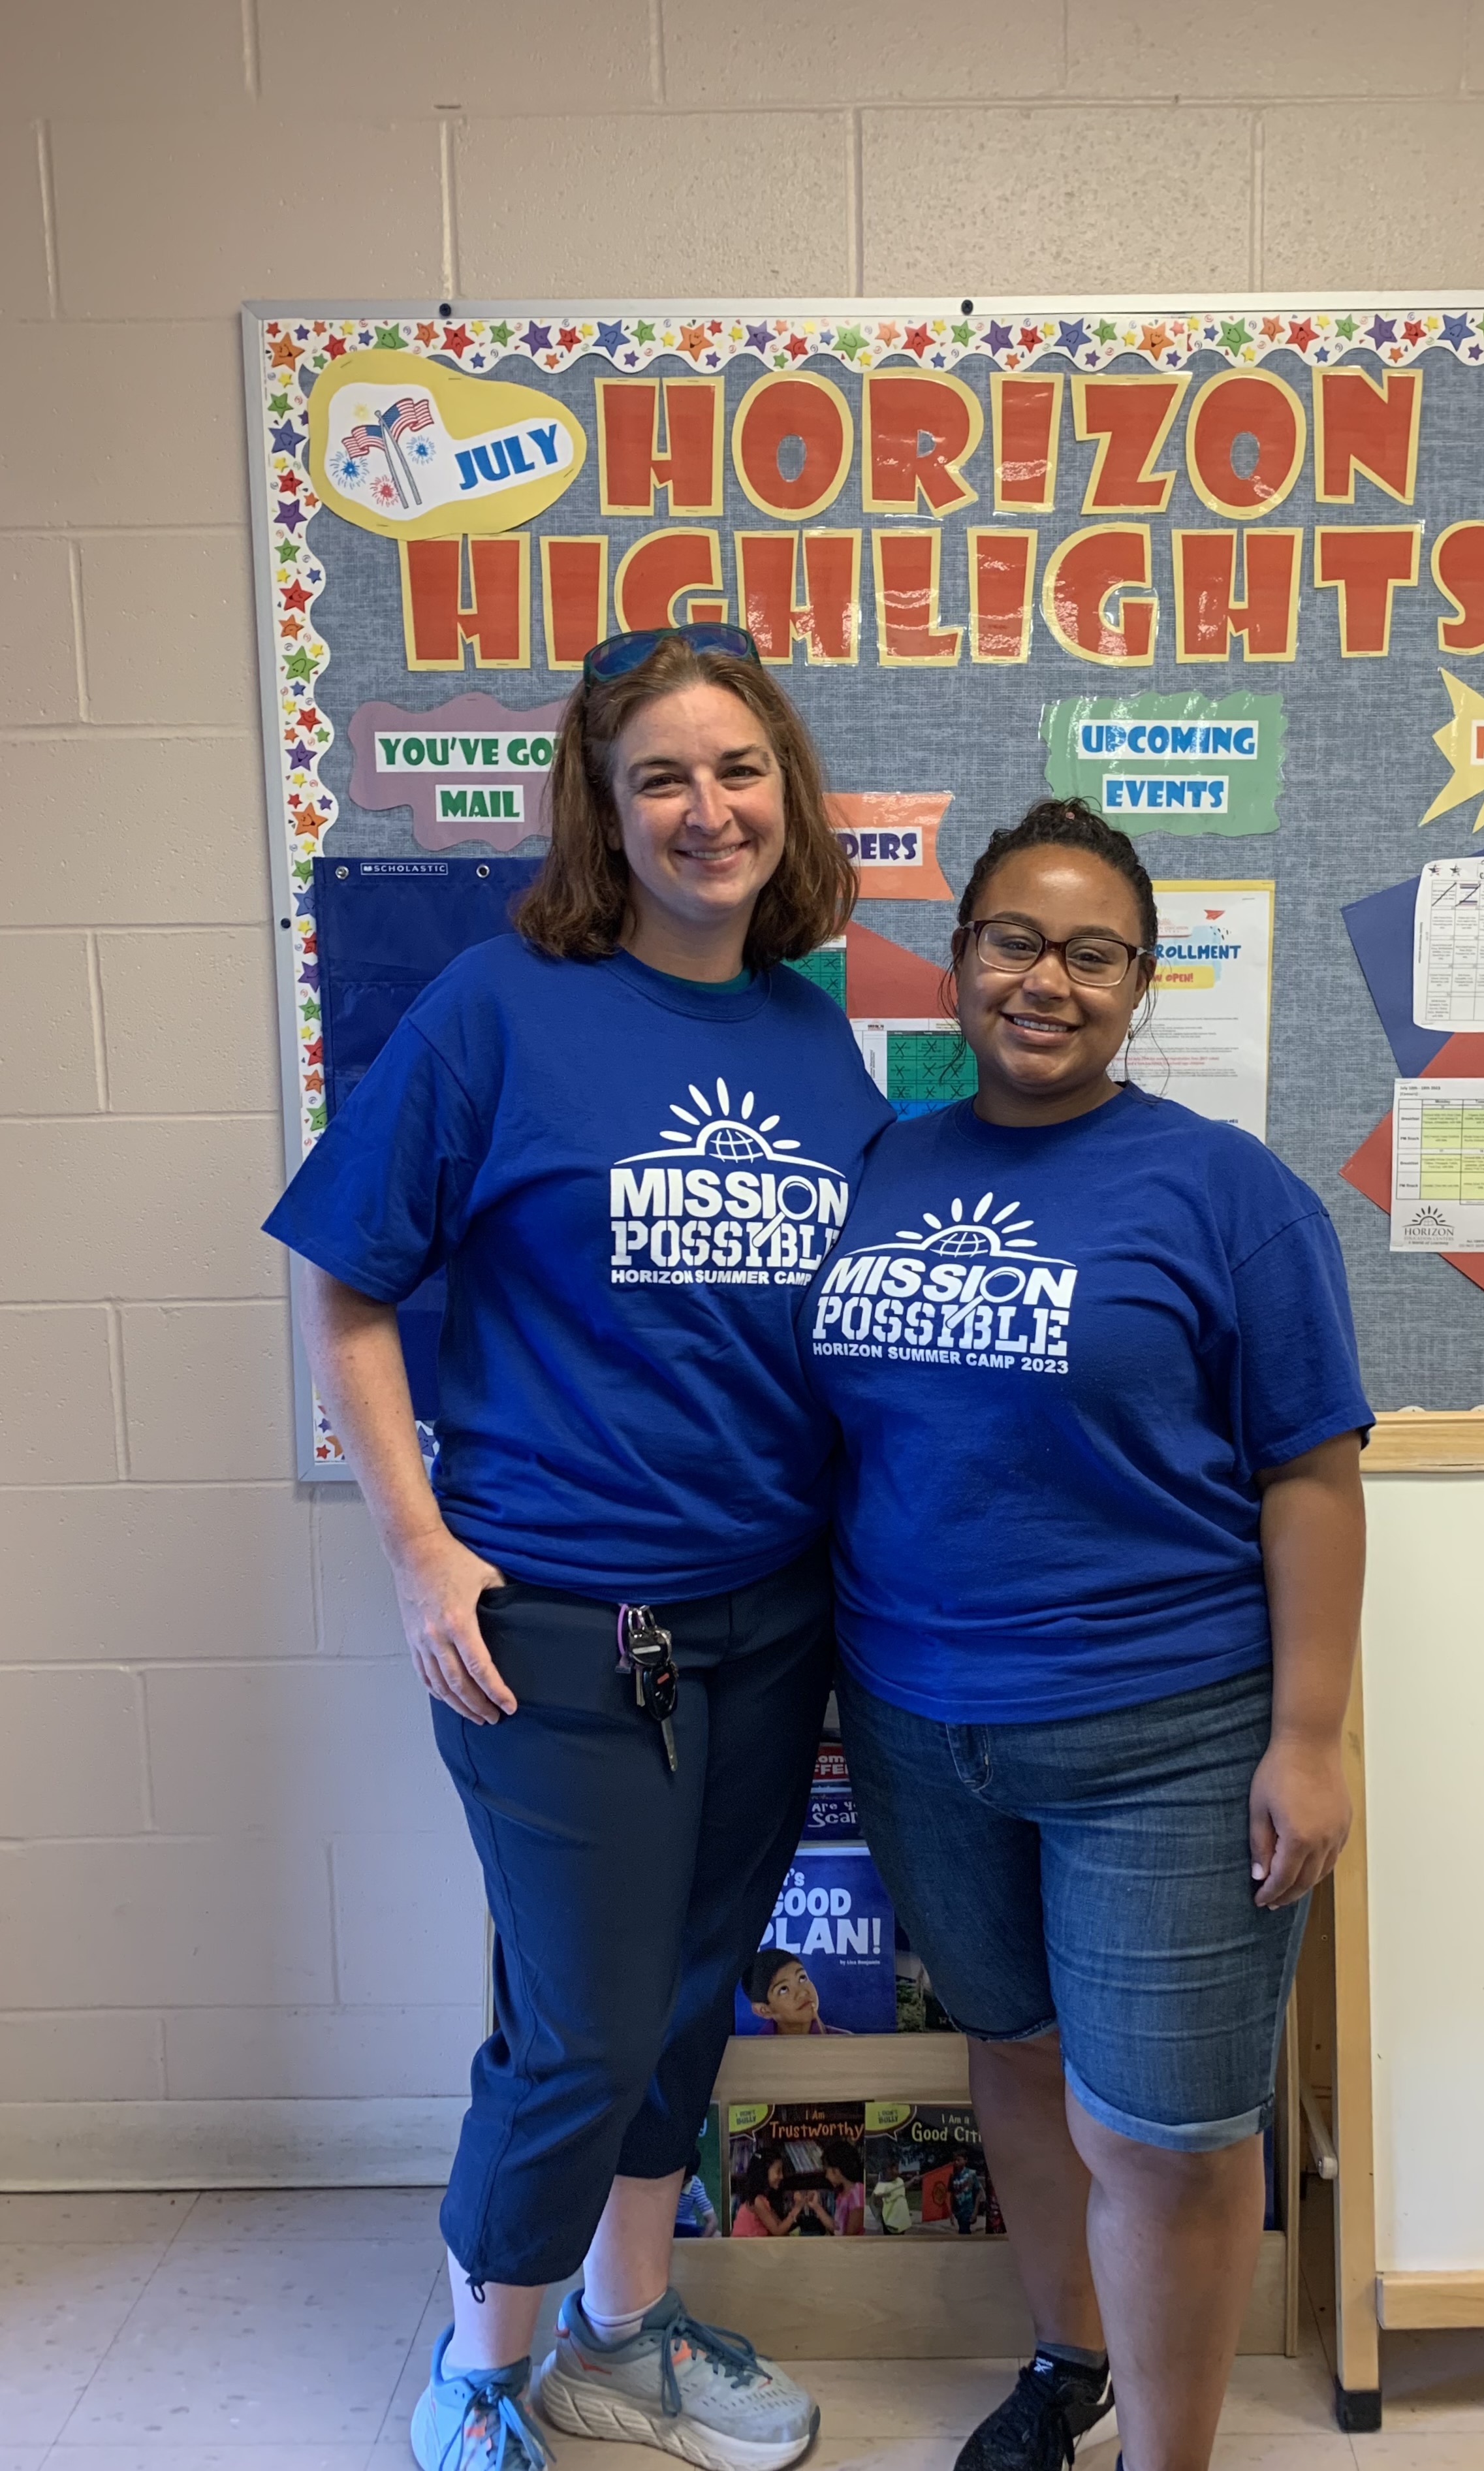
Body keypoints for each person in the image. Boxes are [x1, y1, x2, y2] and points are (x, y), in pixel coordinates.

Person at [263, 624, 891, 2471]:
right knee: (577, 2029)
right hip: (549, 1619)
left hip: (768, 1615)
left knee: (686, 2006)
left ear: (785, 785)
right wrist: (415, 1548)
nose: (711, 811)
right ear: (604, 818)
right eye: (662, 781)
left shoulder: (801, 1021)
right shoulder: (497, 1007)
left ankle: (627, 2336)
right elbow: (347, 1276)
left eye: (738, 769)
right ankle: (475, 2373)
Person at [804, 800, 1372, 2471]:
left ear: (1139, 983)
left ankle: (1163, 2458)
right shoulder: (882, 1165)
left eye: (1091, 953)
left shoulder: (1224, 1192)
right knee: (1019, 2055)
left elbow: (1314, 1478)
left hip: (1166, 1736)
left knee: (1172, 2129)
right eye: (1013, 941)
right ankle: (1072, 2362)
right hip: (918, 1721)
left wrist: (1309, 1735)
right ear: (960, 956)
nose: (1045, 979)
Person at [740, 1947, 851, 2035]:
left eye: (802, 1978)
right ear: (764, 2011)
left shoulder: (847, 2043)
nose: (803, 1993)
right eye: (784, 1989)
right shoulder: (754, 2053)